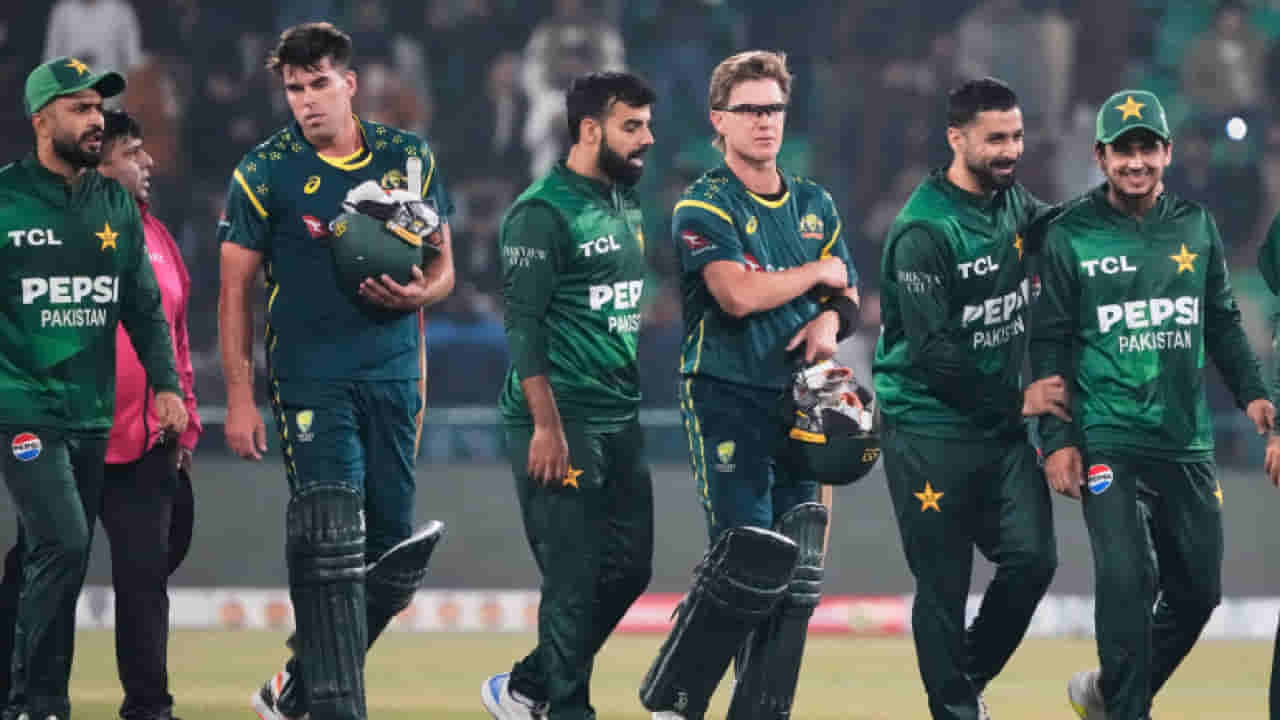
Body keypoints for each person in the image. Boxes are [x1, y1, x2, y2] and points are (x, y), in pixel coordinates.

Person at [217, 23, 451, 720]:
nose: (308, 101)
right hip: (309, 378)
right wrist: (239, 396)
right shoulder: (264, 170)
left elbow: (443, 264)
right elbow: (233, 291)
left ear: (350, 83)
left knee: (393, 562)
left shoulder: (409, 157)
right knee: (330, 542)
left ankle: (295, 685)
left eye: (320, 84)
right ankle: (333, 707)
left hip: (393, 375)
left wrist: (423, 293)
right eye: (295, 89)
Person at [1031, 89, 1273, 720]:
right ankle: (1129, 709)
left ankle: (1110, 694)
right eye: (1123, 150)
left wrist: (1254, 393)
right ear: (1100, 157)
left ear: (1166, 152)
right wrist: (1056, 441)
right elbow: (1048, 344)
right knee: (1127, 578)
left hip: (1183, 438)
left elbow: (1221, 321)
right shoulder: (1070, 234)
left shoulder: (1196, 224)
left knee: (1199, 592)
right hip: (1107, 434)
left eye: (1147, 148)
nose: (1135, 161)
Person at [638, 50, 859, 720]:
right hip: (726, 391)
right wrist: (814, 276)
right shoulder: (702, 204)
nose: (765, 121)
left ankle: (761, 711)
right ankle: (675, 700)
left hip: (804, 400)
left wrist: (828, 319)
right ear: (719, 120)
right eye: (750, 110)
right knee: (746, 560)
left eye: (774, 109)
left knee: (797, 573)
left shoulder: (815, 202)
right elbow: (736, 296)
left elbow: (849, 293)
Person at [0, 57, 188, 720]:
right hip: (24, 408)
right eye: (79, 108)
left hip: (92, 413)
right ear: (40, 119)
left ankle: (32, 700)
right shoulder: (5, 199)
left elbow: (143, 305)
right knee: (64, 542)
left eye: (97, 107)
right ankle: (38, 700)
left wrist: (166, 384)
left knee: (59, 556)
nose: (95, 120)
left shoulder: (113, 206)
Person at [871, 77, 1064, 720]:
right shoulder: (923, 229)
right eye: (996, 139)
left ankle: (964, 679)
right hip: (928, 429)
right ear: (956, 138)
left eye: (1017, 136)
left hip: (997, 431)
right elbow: (933, 355)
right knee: (943, 586)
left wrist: (1120, 209)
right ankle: (956, 708)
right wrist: (1020, 398)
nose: (1011, 150)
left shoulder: (1012, 202)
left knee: (1033, 561)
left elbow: (1061, 228)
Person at [481, 70, 657, 720]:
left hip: (619, 416)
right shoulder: (541, 213)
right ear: (589, 130)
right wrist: (545, 426)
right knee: (573, 579)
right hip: (562, 417)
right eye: (632, 126)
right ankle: (566, 709)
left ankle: (527, 688)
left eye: (647, 125)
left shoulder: (625, 202)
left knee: (630, 571)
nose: (647, 138)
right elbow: (522, 326)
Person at [98, 108, 201, 720]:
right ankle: (26, 697)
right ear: (98, 165)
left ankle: (149, 709)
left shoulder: (158, 237)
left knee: (145, 581)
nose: (149, 162)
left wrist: (186, 425)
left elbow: (178, 339)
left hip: (148, 444)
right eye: (132, 152)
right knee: (38, 571)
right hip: (73, 435)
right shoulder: (60, 233)